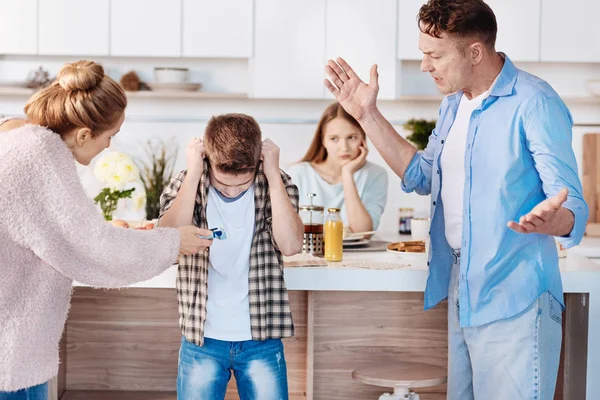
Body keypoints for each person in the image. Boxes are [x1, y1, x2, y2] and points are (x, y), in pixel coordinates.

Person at [323, 0, 587, 398]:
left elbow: (573, 206)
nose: (425, 66)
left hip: (515, 295)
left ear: (475, 52)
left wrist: (555, 220)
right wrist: (366, 114)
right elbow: (421, 175)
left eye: (434, 55)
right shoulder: (453, 106)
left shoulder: (535, 102)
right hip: (463, 289)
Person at [0, 60, 212, 400]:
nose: (109, 147)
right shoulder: (39, 155)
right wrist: (173, 243)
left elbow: (61, 233)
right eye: (110, 137)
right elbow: (95, 248)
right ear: (85, 134)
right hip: (9, 360)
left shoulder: (17, 137)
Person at [158, 113, 303, 400]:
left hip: (261, 337)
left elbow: (290, 244)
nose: (232, 191)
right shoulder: (190, 181)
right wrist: (195, 173)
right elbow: (167, 241)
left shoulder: (275, 182)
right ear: (207, 162)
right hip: (202, 339)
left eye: (242, 184)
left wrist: (273, 174)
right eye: (223, 185)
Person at [288, 102, 388, 232]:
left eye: (352, 137)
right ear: (323, 140)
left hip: (358, 253)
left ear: (363, 138)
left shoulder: (375, 174)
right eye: (334, 139)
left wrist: (347, 174)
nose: (344, 147)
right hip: (309, 252)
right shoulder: (297, 173)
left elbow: (363, 232)